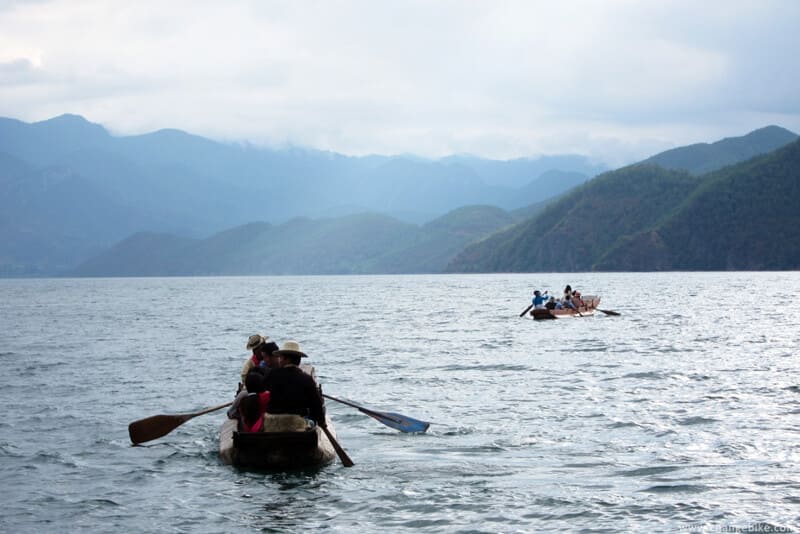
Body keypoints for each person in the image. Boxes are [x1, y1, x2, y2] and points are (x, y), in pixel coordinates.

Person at [263, 340, 326, 429]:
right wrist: (322, 423)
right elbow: (316, 404)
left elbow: (262, 390)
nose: (279, 360)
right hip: (296, 425)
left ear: (287, 359)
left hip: (272, 423)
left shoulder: (271, 374)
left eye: (281, 357)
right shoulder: (306, 379)